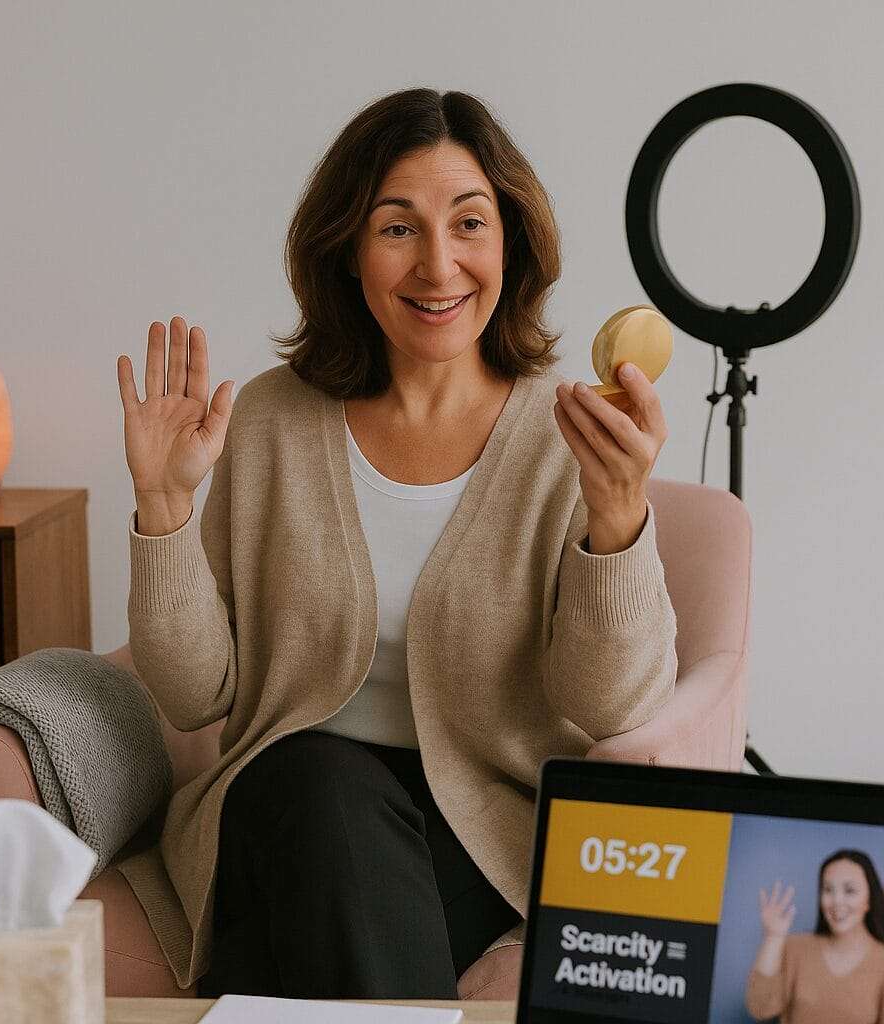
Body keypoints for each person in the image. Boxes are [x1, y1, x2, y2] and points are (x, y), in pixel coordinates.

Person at [114, 87, 679, 1000]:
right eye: (397, 228)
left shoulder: (564, 429)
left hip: (478, 831)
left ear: (512, 244)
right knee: (320, 788)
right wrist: (163, 504)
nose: (438, 264)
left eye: (469, 223)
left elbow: (610, 706)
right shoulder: (268, 419)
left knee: (297, 948)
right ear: (346, 247)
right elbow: (193, 697)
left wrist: (617, 523)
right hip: (287, 805)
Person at [746, 849, 884, 1023]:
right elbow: (760, 1008)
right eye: (828, 890)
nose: (837, 901)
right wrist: (773, 937)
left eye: (849, 891)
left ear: (869, 899)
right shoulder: (796, 948)